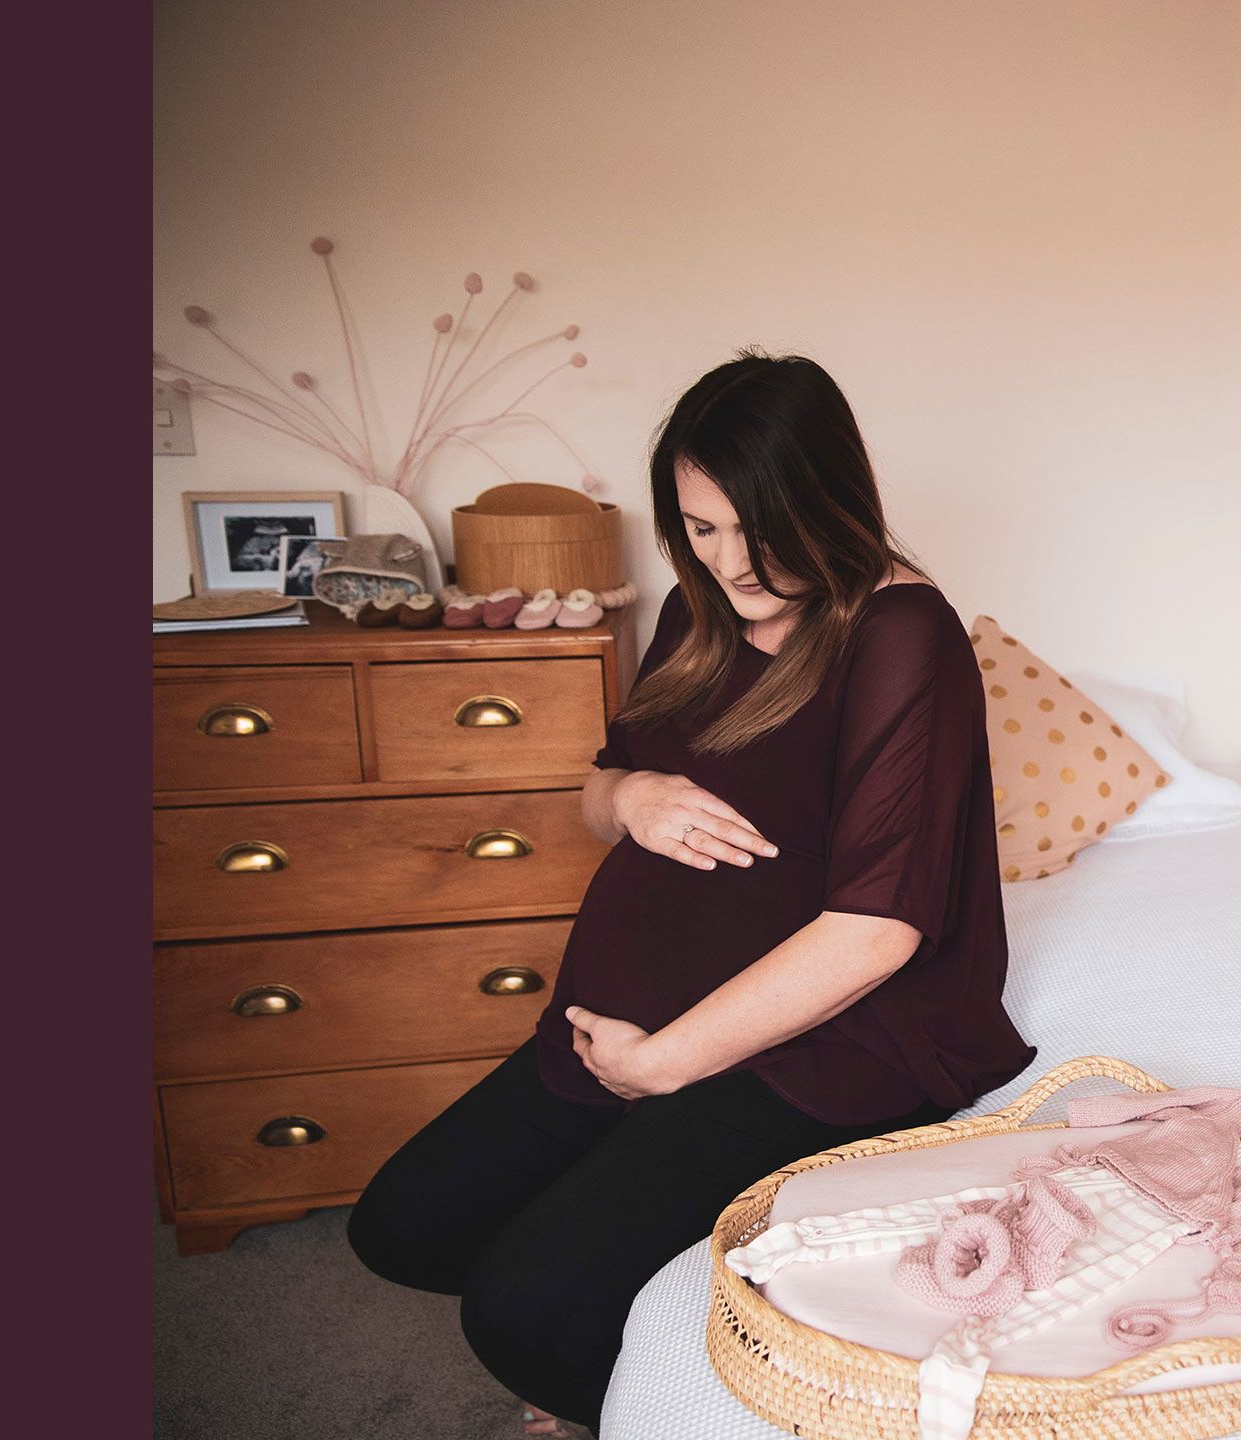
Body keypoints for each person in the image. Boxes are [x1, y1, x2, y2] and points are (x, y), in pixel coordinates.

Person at [348, 350, 1036, 1436]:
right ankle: (638, 1255)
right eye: (701, 528)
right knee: (401, 1229)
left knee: (523, 1313)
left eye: (757, 529)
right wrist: (630, 798)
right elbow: (593, 793)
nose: (732, 562)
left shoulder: (901, 635)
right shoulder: (694, 611)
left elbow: (876, 931)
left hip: (820, 1049)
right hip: (628, 1023)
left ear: (830, 497)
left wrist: (656, 1069)